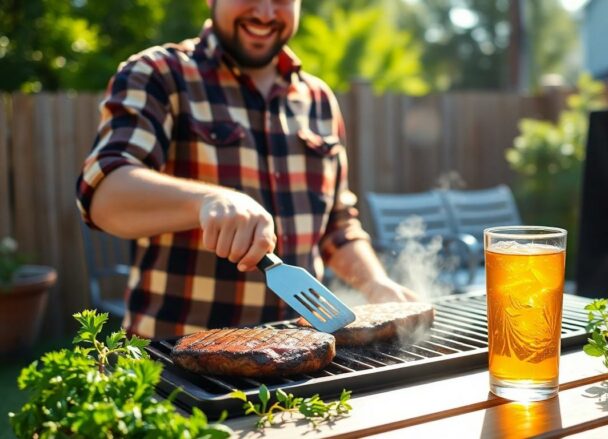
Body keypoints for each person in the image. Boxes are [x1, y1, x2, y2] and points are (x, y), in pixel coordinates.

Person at [76, 0, 418, 339]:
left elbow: (338, 225)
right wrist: (207, 201)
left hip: (295, 361)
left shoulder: (318, 100)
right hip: (175, 366)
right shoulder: (159, 74)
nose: (266, 13)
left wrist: (375, 283)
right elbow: (104, 194)